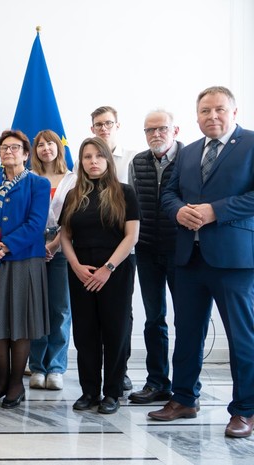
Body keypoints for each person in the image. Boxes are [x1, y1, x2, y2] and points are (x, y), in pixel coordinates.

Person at [150, 86, 254, 439]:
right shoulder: (189, 151)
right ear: (196, 117)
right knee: (188, 333)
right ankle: (183, 399)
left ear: (234, 112)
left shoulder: (251, 144)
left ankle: (245, 410)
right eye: (205, 110)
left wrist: (216, 211)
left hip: (235, 261)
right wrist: (178, 211)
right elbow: (168, 193)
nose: (212, 116)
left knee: (242, 337)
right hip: (189, 257)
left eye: (219, 109)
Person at [0, 130, 50, 409]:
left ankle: (16, 384)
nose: (8, 152)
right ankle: (1, 382)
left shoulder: (38, 184)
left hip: (23, 262)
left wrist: (1, 248)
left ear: (26, 154)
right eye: (4, 147)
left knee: (19, 324)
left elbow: (36, 224)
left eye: (15, 148)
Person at [59, 137, 139, 415]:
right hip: (81, 272)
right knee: (85, 332)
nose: (93, 161)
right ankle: (90, 391)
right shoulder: (73, 195)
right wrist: (75, 265)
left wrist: (108, 268)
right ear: (80, 162)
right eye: (87, 157)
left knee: (115, 332)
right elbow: (65, 236)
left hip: (116, 270)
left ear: (107, 159)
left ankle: (112, 392)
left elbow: (131, 236)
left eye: (98, 156)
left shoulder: (125, 192)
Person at [126, 111, 183, 404]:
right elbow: (132, 206)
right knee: (154, 318)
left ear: (175, 129)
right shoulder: (137, 162)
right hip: (147, 250)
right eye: (149, 130)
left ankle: (185, 388)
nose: (155, 134)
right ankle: (157, 382)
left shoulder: (189, 158)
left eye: (161, 128)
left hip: (181, 251)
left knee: (186, 320)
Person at [89, 106, 138, 391]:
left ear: (117, 125)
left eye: (108, 123)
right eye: (98, 124)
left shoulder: (132, 159)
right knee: (93, 317)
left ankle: (121, 370)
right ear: (92, 128)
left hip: (123, 249)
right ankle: (95, 378)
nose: (104, 128)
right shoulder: (85, 160)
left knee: (120, 316)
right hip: (91, 251)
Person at [28, 130, 76, 391]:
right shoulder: (29, 178)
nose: (46, 148)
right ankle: (37, 366)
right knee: (35, 307)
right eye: (40, 145)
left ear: (59, 147)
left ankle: (56, 367)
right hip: (32, 247)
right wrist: (39, 244)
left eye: (50, 144)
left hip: (64, 244)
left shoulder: (73, 178)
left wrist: (56, 243)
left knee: (60, 308)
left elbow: (74, 215)